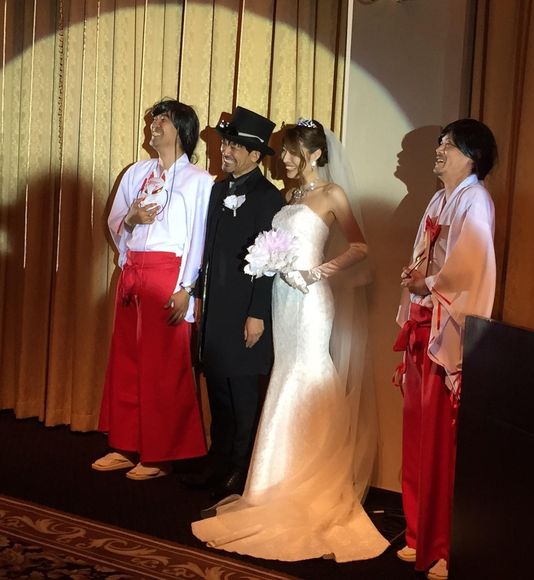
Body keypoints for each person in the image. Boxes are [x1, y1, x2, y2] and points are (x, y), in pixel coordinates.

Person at [191, 118, 389, 562]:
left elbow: (360, 247)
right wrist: (268, 263)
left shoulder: (333, 194)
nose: (284, 158)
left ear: (315, 153)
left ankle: (311, 482)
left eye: (292, 150)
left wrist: (316, 272)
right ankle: (270, 482)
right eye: (283, 151)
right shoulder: (288, 196)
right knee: (284, 376)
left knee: (308, 375)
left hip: (310, 298)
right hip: (282, 298)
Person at [393, 118, 498, 579]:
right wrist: (414, 280)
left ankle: (446, 545)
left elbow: (471, 266)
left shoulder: (475, 199)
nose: (439, 150)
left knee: (442, 442)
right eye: (440, 143)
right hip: (424, 321)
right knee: (418, 435)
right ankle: (419, 533)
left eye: (449, 145)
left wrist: (429, 282)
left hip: (446, 327)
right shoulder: (439, 199)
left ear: (472, 156)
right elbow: (424, 256)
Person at [92, 99, 213, 480]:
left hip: (168, 274)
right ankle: (124, 444)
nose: (154, 124)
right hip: (134, 271)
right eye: (154, 119)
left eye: (163, 119)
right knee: (127, 359)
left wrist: (187, 287)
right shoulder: (137, 172)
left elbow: (199, 239)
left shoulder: (199, 181)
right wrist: (131, 217)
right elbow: (116, 221)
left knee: (164, 366)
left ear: (182, 130)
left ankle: (161, 453)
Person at [185, 106, 283, 499]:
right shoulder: (218, 189)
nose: (224, 150)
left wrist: (257, 313)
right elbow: (205, 249)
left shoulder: (268, 198)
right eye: (225, 143)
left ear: (255, 155)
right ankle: (218, 459)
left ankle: (241, 470)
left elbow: (271, 262)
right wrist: (198, 295)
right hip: (216, 308)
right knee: (219, 393)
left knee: (242, 397)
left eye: (234, 146)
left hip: (245, 311)